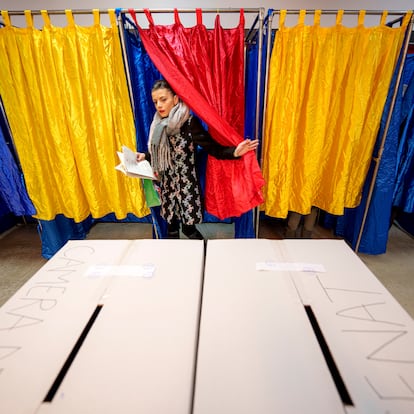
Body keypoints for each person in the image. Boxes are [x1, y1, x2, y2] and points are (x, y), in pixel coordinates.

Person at [136, 79, 259, 239]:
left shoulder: (189, 123)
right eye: (155, 101)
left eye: (163, 99)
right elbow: (158, 152)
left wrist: (235, 151)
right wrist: (145, 155)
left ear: (175, 99)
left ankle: (204, 260)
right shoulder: (158, 125)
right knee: (171, 230)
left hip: (187, 188)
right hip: (167, 187)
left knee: (189, 230)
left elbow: (213, 148)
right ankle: (174, 263)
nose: (159, 105)